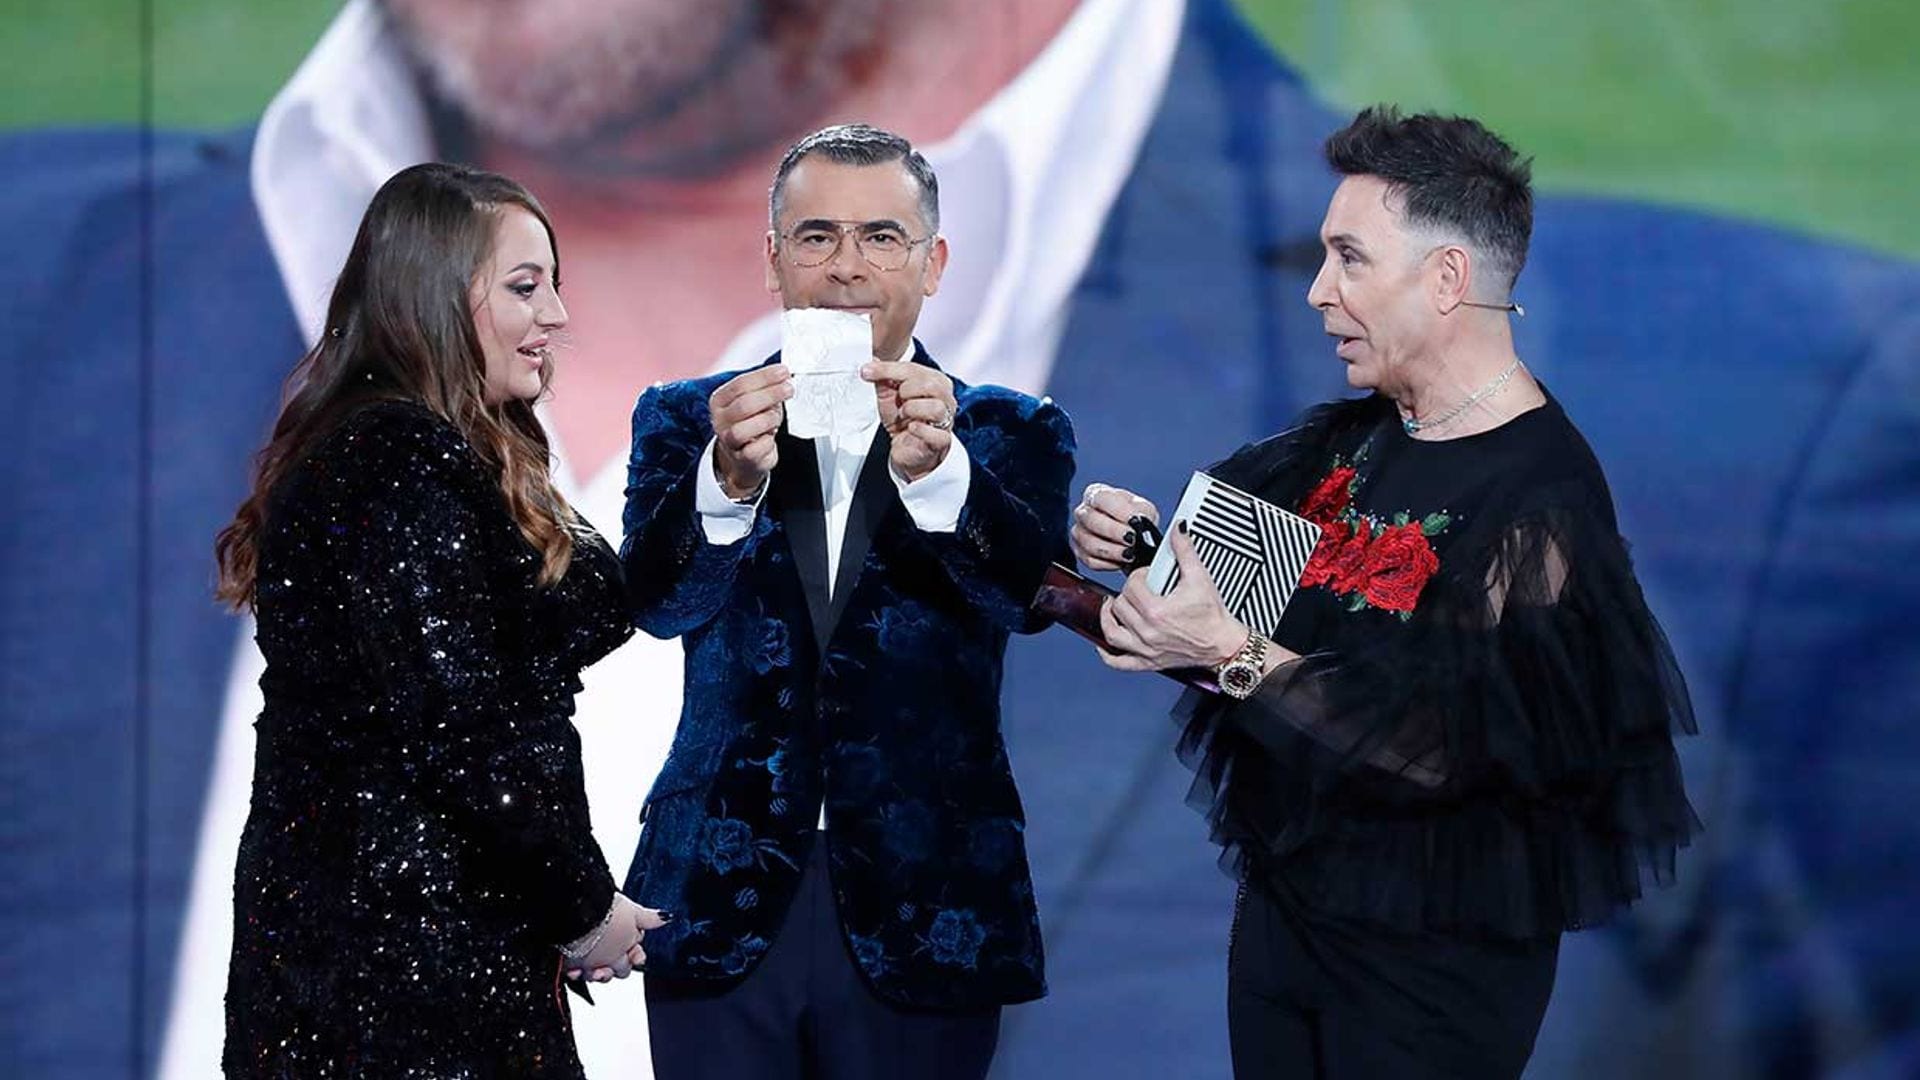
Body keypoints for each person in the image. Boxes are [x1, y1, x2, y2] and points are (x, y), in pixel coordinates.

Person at [5, 2, 1919, 1076]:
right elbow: (1102, 610)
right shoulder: (1278, 461)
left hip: (1057, 937)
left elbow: (1397, 703)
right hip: (718, 926)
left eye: (1357, 261)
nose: (1329, 289)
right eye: (810, 240)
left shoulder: (1661, 451)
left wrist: (1026, 527)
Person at [1072, 108, 1702, 1079]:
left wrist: (1224, 654)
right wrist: (1142, 549)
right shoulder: (1351, 440)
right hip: (1289, 930)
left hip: (1427, 974)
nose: (1320, 292)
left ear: (1447, 279)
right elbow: (1247, 610)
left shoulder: (1538, 496)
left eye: (1350, 259)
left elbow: (1439, 748)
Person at [617, 124, 1074, 1079]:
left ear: (934, 262)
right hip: (721, 888)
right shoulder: (690, 418)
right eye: (817, 237)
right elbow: (654, 604)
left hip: (930, 897)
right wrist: (724, 484)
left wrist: (943, 476)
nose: (848, 266)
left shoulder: (1009, 430)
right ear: (774, 259)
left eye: (882, 237)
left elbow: (1025, 597)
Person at [211, 162, 667, 1076]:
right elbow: (461, 730)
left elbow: (590, 608)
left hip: (430, 949)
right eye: (525, 287)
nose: (559, 317)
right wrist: (584, 909)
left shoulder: (443, 450)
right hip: (398, 967)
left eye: (556, 286)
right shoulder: (394, 458)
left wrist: (721, 491)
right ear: (436, 297)